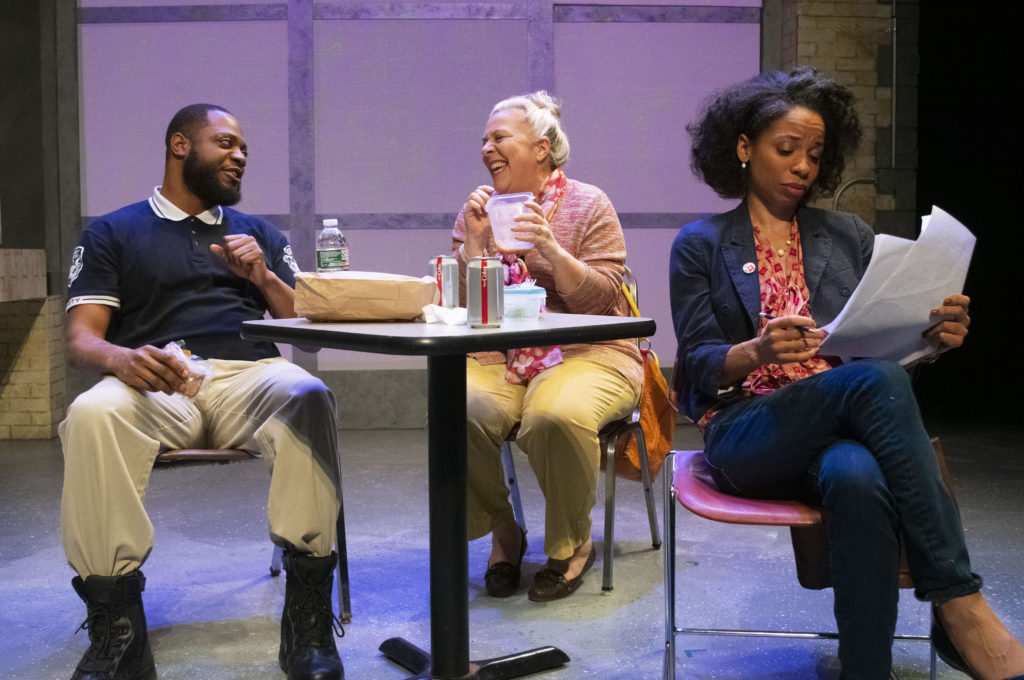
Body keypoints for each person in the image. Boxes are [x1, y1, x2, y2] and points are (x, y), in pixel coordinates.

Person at [669, 67, 1024, 680]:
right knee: (874, 386)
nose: (803, 165)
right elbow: (699, 362)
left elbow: (880, 350)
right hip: (746, 430)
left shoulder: (848, 235)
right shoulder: (700, 243)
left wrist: (931, 339)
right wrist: (756, 352)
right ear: (745, 148)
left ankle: (867, 670)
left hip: (842, 430)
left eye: (814, 154)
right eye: (787, 149)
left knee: (857, 474)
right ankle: (958, 601)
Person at [60, 104, 345, 680]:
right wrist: (121, 358)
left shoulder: (258, 233)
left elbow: (306, 328)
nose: (239, 156)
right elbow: (82, 338)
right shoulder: (113, 231)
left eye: (244, 149)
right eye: (226, 143)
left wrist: (262, 276)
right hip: (158, 382)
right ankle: (118, 630)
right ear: (180, 145)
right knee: (91, 411)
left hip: (248, 378)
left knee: (308, 390)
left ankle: (307, 617)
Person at [451, 91, 642, 602]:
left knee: (554, 413)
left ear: (541, 148)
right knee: (455, 405)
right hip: (503, 354)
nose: (487, 148)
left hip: (592, 351)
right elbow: (467, 311)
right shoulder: (479, 211)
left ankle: (571, 544)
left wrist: (552, 250)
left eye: (499, 138)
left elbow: (605, 300)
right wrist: (473, 243)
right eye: (484, 139)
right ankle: (503, 530)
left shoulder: (588, 202)